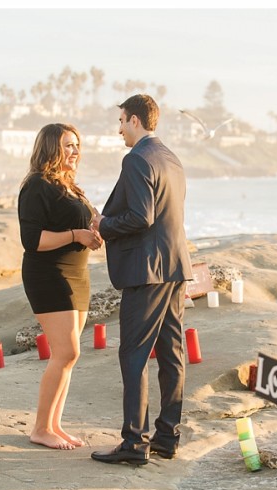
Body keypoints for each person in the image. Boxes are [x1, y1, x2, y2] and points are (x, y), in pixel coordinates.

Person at [90, 95, 193, 465]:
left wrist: (104, 225)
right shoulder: (171, 159)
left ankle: (134, 442)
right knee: (171, 353)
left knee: (133, 355)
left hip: (146, 271)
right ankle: (167, 437)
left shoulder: (136, 159)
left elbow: (141, 217)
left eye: (121, 121)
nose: (118, 129)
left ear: (135, 120)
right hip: (175, 268)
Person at [18, 123, 102, 450]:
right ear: (51, 148)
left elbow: (92, 219)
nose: (75, 151)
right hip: (48, 274)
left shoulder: (70, 186)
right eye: (68, 145)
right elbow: (32, 240)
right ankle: (40, 428)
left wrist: (97, 231)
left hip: (77, 274)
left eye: (77, 145)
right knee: (67, 351)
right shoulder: (36, 186)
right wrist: (75, 236)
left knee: (67, 357)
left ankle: (54, 424)